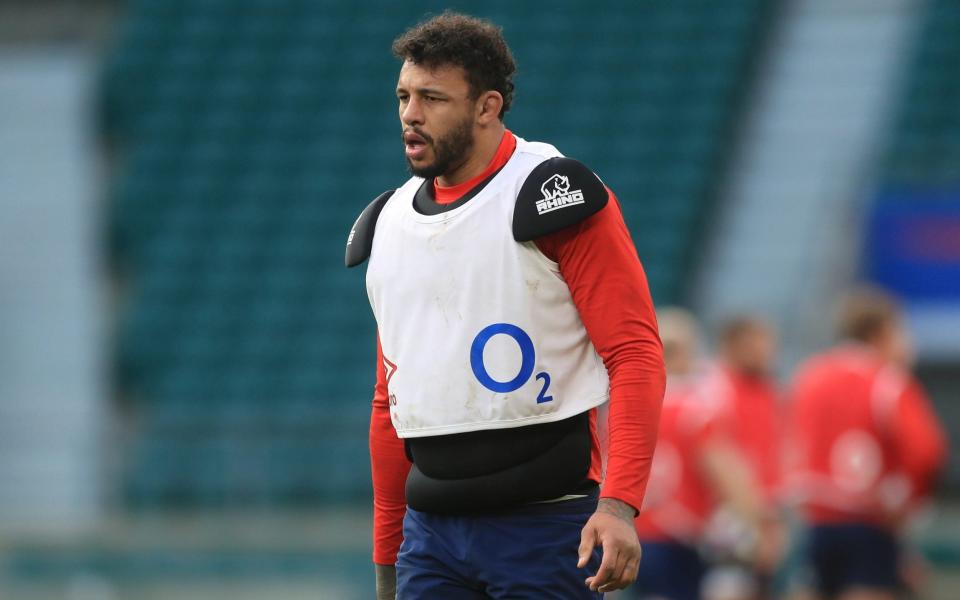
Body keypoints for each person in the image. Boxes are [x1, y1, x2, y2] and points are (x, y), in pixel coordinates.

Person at [344, 12, 665, 600]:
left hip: (545, 525)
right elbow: (388, 403)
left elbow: (635, 353)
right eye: (403, 96)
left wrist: (620, 505)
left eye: (432, 98)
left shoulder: (553, 195)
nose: (410, 115)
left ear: (487, 107)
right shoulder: (388, 223)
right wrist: (387, 558)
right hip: (431, 537)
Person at [786, 286, 948, 600]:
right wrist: (907, 503)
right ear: (881, 332)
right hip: (869, 522)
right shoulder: (887, 380)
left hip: (816, 523)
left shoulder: (809, 376)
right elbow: (927, 452)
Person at [631, 308, 766, 600]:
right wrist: (753, 519)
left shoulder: (628, 408)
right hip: (680, 537)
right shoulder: (695, 410)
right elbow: (727, 475)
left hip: (634, 533)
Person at [701, 316, 787, 600]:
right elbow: (716, 457)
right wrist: (752, 517)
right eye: (757, 343)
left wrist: (773, 517)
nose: (766, 351)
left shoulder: (767, 390)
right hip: (727, 516)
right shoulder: (715, 387)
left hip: (764, 513)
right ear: (733, 345)